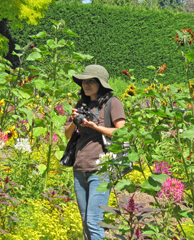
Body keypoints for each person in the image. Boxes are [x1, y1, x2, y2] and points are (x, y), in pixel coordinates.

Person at [65, 64, 126, 240]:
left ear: (101, 84)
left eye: (92, 81)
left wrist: (94, 126)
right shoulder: (82, 104)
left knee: (94, 221)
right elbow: (68, 135)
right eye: (84, 81)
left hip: (101, 169)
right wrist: (74, 121)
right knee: (85, 224)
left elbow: (121, 131)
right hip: (79, 168)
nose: (86, 85)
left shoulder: (112, 103)